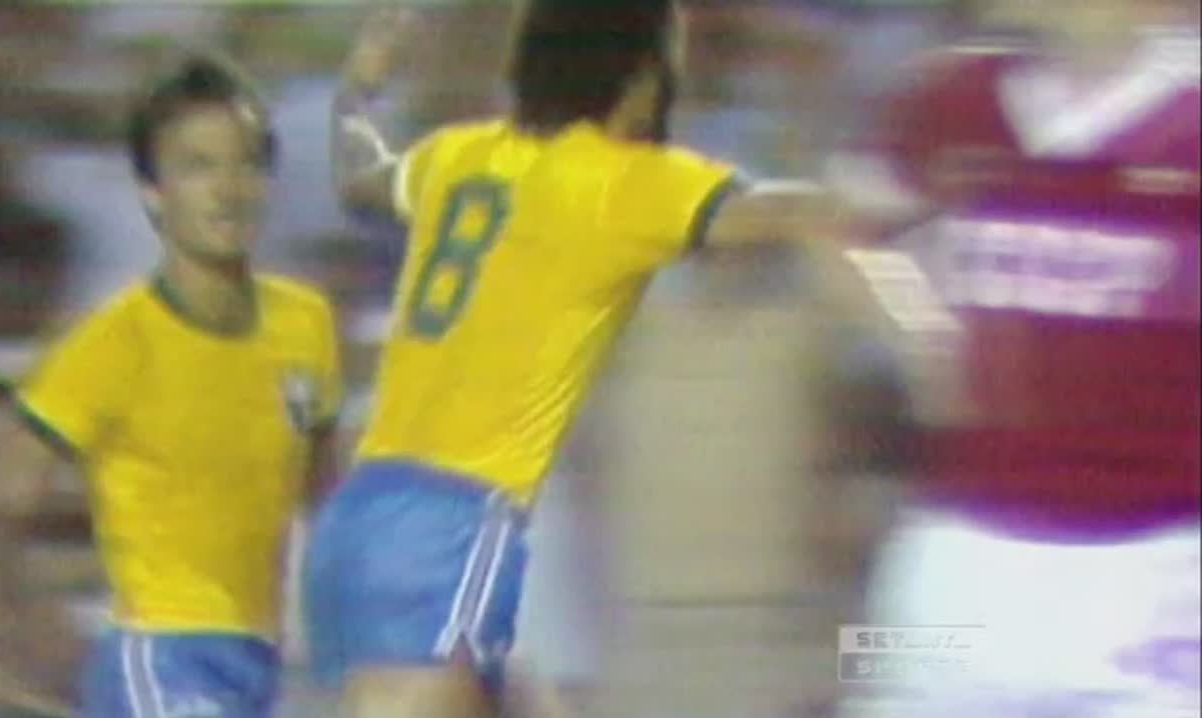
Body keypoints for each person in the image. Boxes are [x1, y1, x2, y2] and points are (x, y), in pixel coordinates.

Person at [303, 2, 887, 717]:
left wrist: (357, 87)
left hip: (364, 509)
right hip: (463, 517)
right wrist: (876, 205)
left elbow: (359, 176)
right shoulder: (622, 181)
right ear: (637, 79)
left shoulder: (456, 155)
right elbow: (782, 211)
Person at [0, 54, 344, 718]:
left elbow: (325, 497)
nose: (227, 189)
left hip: (260, 662)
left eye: (245, 164)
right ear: (154, 193)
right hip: (159, 659)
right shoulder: (115, 344)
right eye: (198, 167)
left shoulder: (307, 324)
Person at [831, 0, 1199, 714]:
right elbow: (836, 226)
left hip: (1153, 575)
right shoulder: (952, 94)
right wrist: (917, 331)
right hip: (953, 563)